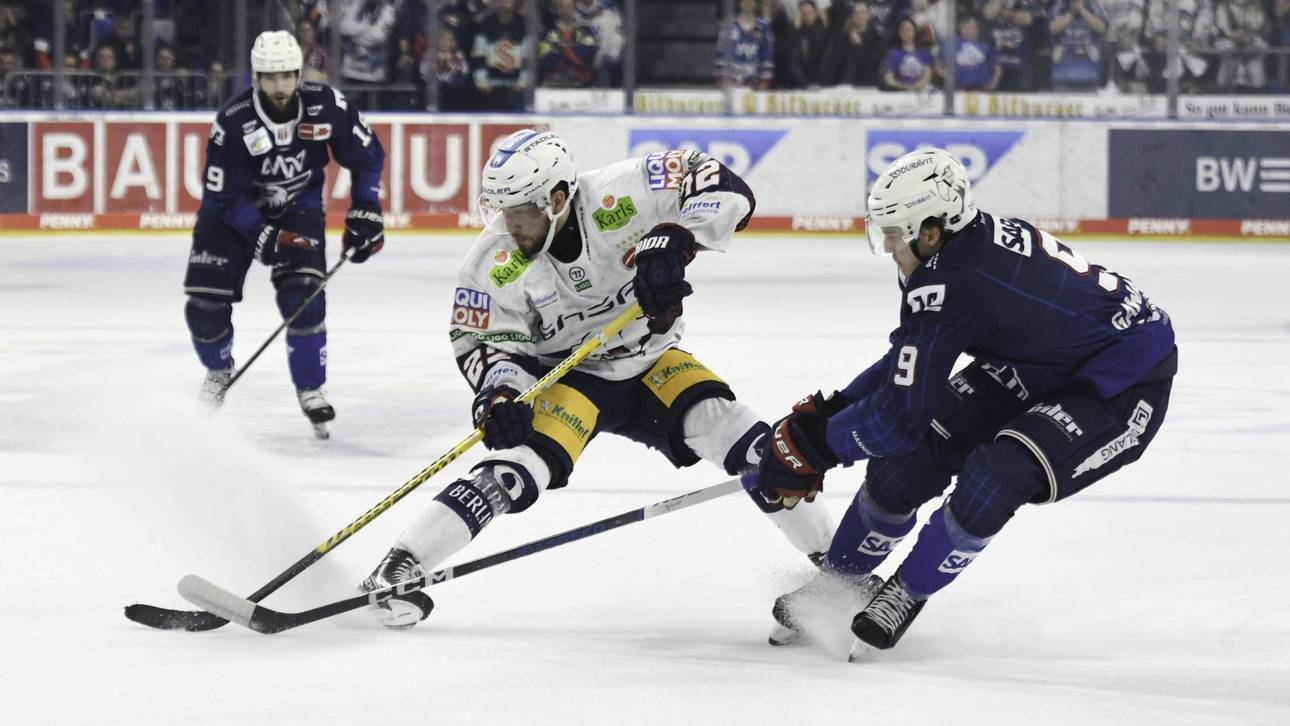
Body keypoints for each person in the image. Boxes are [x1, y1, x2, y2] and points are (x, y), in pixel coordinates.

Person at [359, 129, 835, 629]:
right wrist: (501, 395)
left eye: (519, 209)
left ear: (558, 198)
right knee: (513, 471)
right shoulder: (492, 262)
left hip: (651, 362)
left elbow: (725, 186)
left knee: (762, 452)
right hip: (570, 380)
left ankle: (843, 573)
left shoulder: (622, 193)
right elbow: (483, 343)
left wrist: (678, 236)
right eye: (501, 208)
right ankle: (400, 565)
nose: (507, 222)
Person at [757, 148, 1176, 658]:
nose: (887, 246)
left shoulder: (954, 280)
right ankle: (839, 583)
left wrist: (814, 447)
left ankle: (906, 592)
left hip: (1121, 382)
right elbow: (908, 364)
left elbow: (896, 417)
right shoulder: (949, 257)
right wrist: (831, 411)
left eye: (893, 234)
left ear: (930, 231)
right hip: (1039, 364)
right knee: (904, 467)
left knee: (996, 475)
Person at [182, 30, 386, 438]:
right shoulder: (233, 120)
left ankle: (311, 387)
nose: (280, 86)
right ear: (256, 77)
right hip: (230, 217)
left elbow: (368, 156)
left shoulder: (327, 106)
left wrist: (366, 208)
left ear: (299, 74)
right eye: (270, 77)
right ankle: (218, 369)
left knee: (306, 300)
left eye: (287, 76)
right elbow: (223, 197)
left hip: (299, 210)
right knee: (204, 305)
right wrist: (261, 236)